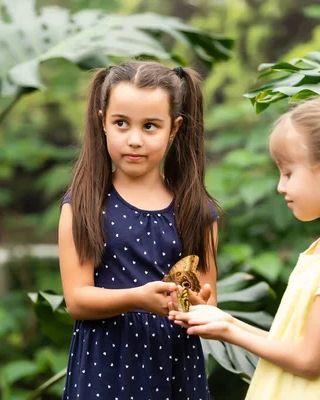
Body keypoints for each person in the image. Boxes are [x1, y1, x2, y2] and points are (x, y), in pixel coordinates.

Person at [170, 96, 320, 399]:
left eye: (288, 173)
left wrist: (228, 332)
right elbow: (291, 345)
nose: (280, 187)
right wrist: (226, 321)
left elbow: (310, 361)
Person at [58, 60, 220, 400]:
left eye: (150, 126)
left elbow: (207, 297)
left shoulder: (195, 210)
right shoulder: (84, 204)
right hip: (104, 368)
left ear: (174, 128)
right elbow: (77, 299)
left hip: (175, 367)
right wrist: (137, 299)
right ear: (102, 121)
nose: (134, 140)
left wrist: (196, 303)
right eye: (121, 123)